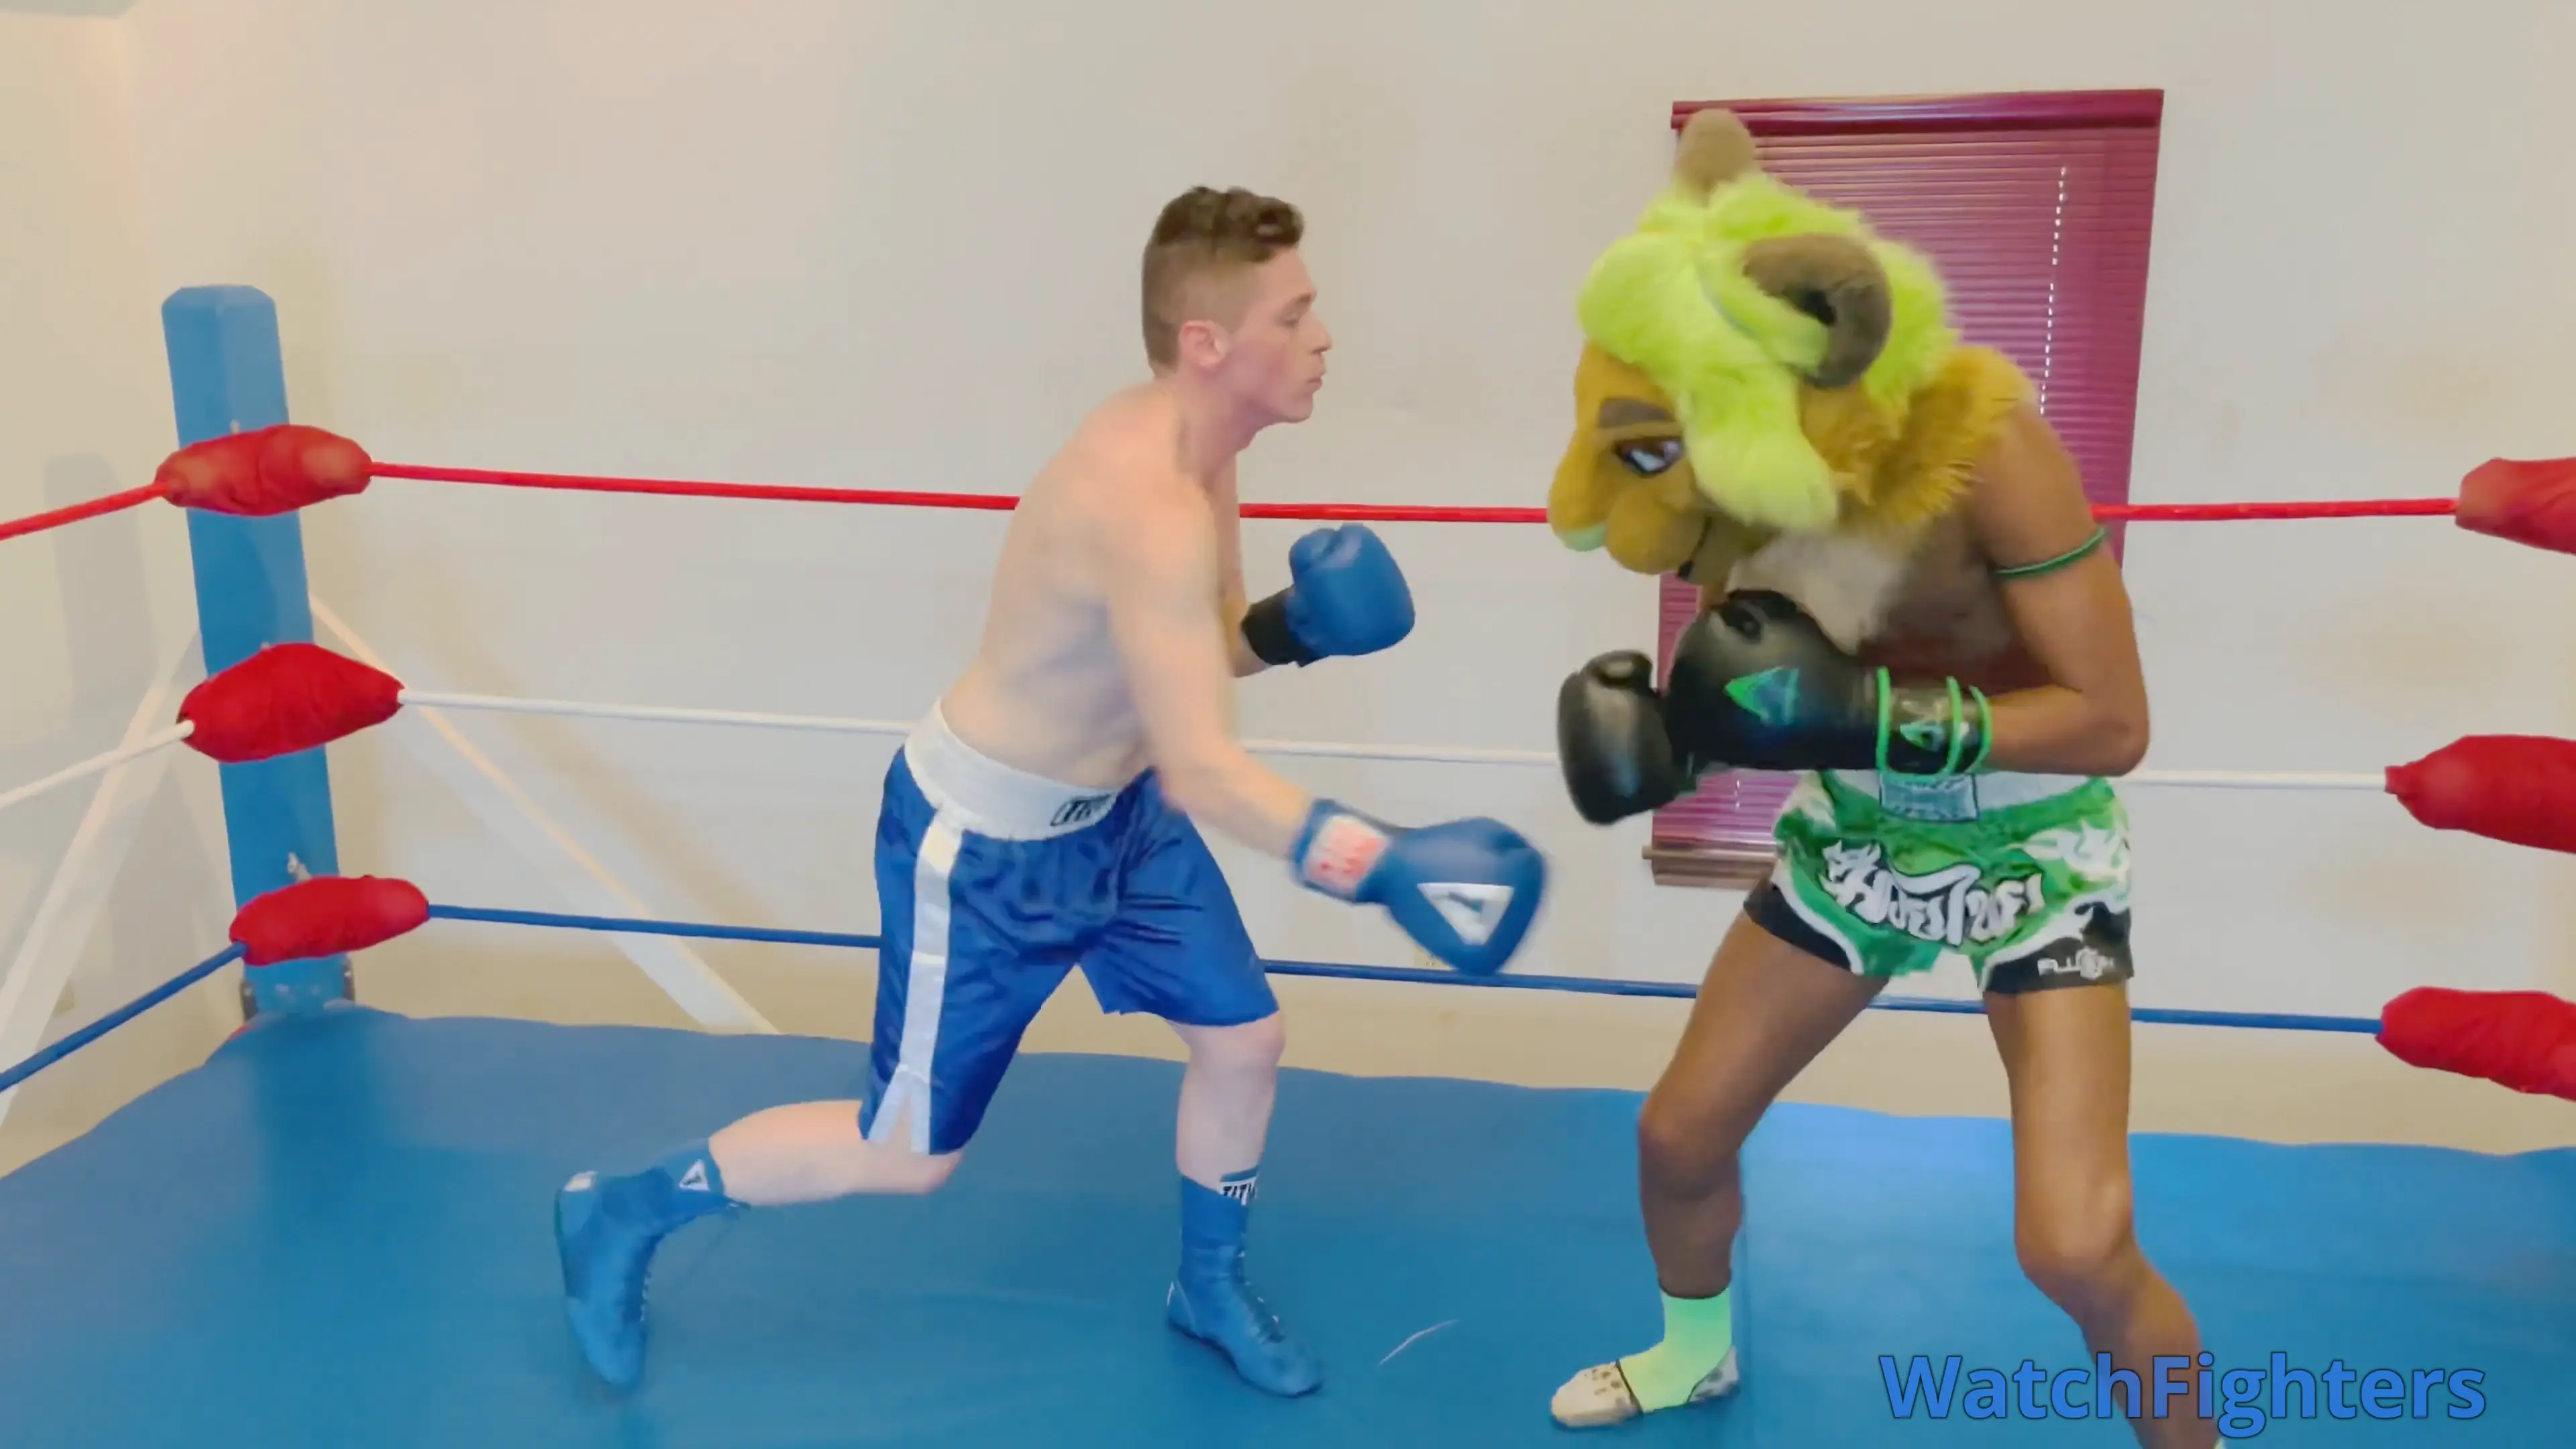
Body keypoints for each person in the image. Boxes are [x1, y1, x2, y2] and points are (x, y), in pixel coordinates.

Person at [551, 184, 1547, 1398]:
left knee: (1245, 1039)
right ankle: (624, 1210)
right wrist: (1377, 864)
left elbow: (1198, 645)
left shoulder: (1209, 446)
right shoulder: (1143, 500)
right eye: (1294, 316)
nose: (1324, 338)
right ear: (1208, 343)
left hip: (1126, 825)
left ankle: (1208, 1286)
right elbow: (1206, 765)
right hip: (988, 851)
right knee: (904, 1154)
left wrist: (1291, 630)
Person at [1552, 399, 2223, 1448]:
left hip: (2034, 854)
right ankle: (1694, 1356)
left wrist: (1875, 716)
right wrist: (1671, 749)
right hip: (1856, 838)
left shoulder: (1984, 444)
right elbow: (1766, 702)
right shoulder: (1738, 486)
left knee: (2077, 1248)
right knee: (1678, 1138)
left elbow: (2115, 723)